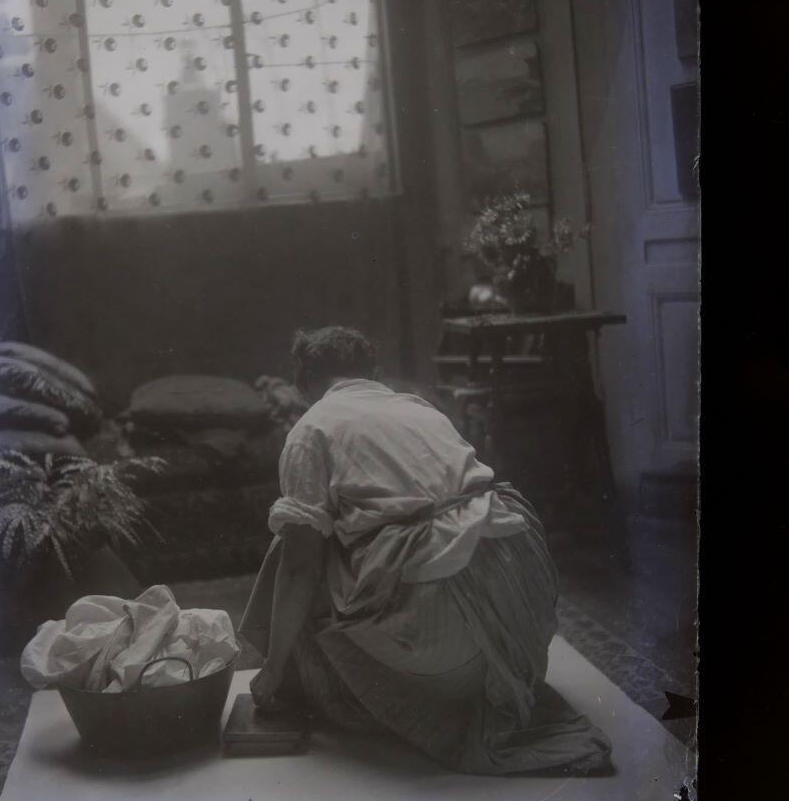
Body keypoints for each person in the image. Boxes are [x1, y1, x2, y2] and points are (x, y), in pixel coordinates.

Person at [239, 326, 612, 775]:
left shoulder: (310, 428)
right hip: (518, 622)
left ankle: (314, 688)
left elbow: (300, 569)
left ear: (303, 386)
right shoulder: (416, 407)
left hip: (445, 643)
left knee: (293, 549)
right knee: (327, 533)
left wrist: (274, 666)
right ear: (374, 374)